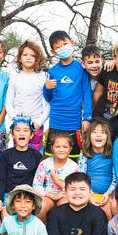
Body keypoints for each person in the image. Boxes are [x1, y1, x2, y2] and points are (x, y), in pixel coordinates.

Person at [42, 30, 92, 158]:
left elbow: (87, 94)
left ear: (72, 43)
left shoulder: (81, 68)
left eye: (65, 44)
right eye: (58, 47)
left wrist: (86, 118)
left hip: (74, 122)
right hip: (55, 122)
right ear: (54, 52)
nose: (62, 48)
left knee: (73, 158)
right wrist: (46, 88)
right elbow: (49, 98)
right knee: (51, 158)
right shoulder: (53, 71)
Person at [5, 41, 49, 151]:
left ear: (37, 58)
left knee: (35, 157)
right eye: (25, 55)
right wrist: (16, 120)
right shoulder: (14, 78)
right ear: (19, 58)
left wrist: (39, 123)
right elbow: (8, 103)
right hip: (19, 126)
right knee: (19, 157)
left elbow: (48, 105)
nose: (28, 58)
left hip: (36, 125)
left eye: (32, 55)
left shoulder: (43, 77)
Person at [0, 117, 43, 214]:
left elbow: (39, 181)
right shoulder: (6, 155)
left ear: (31, 135)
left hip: (28, 195)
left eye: (26, 130)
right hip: (9, 195)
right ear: (12, 134)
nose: (21, 133)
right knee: (5, 214)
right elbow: (2, 179)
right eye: (17, 130)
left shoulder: (37, 156)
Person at [32, 131, 79, 221]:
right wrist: (52, 196)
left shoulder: (74, 167)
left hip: (64, 196)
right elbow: (36, 186)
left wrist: (56, 181)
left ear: (70, 149)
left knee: (66, 207)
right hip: (47, 196)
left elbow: (74, 187)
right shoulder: (45, 164)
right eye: (57, 147)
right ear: (52, 148)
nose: (61, 150)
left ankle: (62, 234)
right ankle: (40, 232)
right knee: (42, 207)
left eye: (65, 147)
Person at [77, 119, 116, 219]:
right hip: (88, 194)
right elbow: (81, 177)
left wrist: (108, 194)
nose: (98, 135)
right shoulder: (84, 154)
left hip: (107, 195)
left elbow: (116, 179)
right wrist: (89, 195)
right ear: (89, 136)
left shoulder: (113, 155)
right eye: (94, 132)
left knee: (107, 214)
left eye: (103, 133)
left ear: (107, 137)